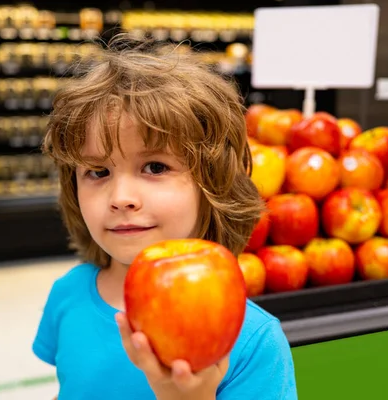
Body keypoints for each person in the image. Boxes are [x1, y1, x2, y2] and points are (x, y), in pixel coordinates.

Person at [32, 35, 297, 400]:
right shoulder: (68, 294)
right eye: (97, 172)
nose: (121, 198)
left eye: (155, 166)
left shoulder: (251, 340)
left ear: (213, 183)